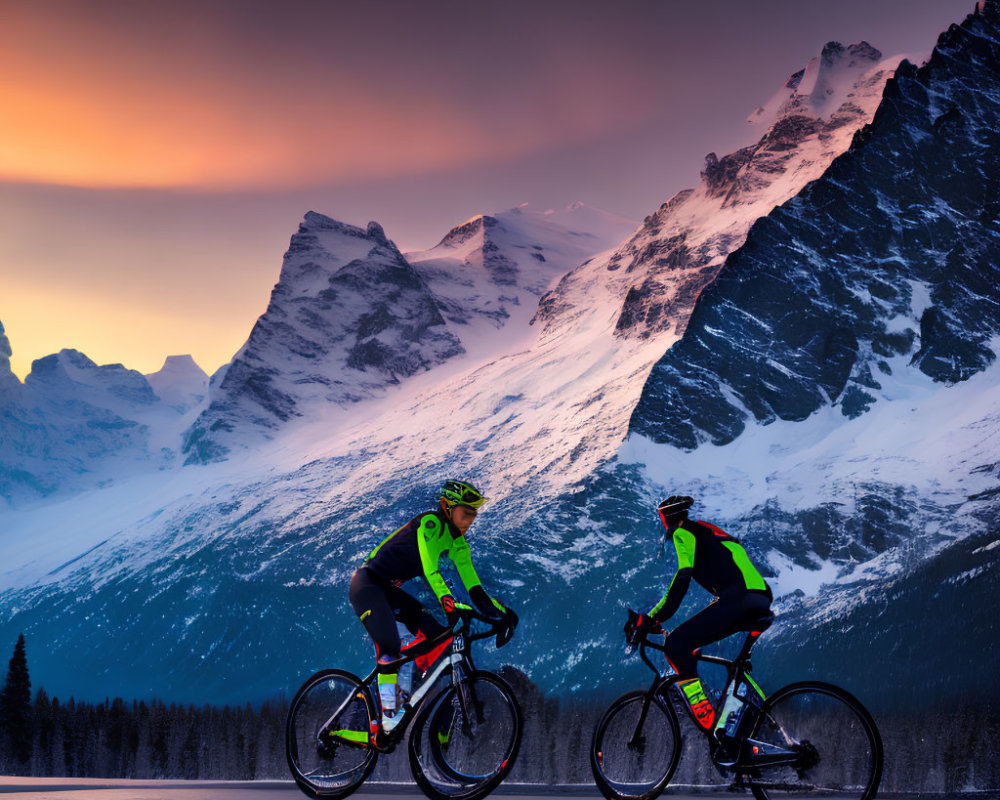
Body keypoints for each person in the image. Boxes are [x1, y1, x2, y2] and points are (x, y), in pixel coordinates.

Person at [349, 479, 517, 734]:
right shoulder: (430, 524)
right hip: (367, 585)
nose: (470, 519)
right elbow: (431, 569)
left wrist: (502, 614)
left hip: (389, 591)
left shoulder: (458, 544)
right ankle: (386, 716)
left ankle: (413, 700)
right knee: (390, 647)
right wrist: (450, 604)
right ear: (446, 507)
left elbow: (475, 589)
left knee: (440, 639)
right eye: (466, 512)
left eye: (474, 513)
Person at [626, 495, 773, 740]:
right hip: (758, 597)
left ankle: (708, 723)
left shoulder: (684, 533)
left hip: (737, 597)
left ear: (667, 520)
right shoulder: (708, 531)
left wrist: (652, 618)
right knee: (733, 669)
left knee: (676, 644)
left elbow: (683, 576)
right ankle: (743, 738)